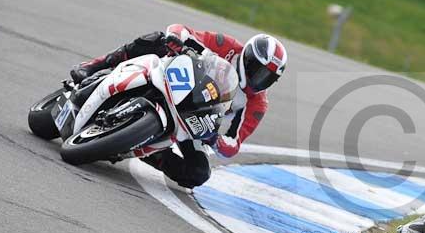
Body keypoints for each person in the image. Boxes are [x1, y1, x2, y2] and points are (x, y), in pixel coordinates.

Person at [70, 24, 287, 188]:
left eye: (266, 77)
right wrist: (176, 39)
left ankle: (146, 151)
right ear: (247, 57)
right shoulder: (228, 46)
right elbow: (183, 30)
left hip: (197, 122)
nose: (258, 79)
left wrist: (214, 139)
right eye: (257, 70)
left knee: (199, 173)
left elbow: (233, 144)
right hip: (178, 79)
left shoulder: (257, 104)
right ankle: (94, 65)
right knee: (156, 39)